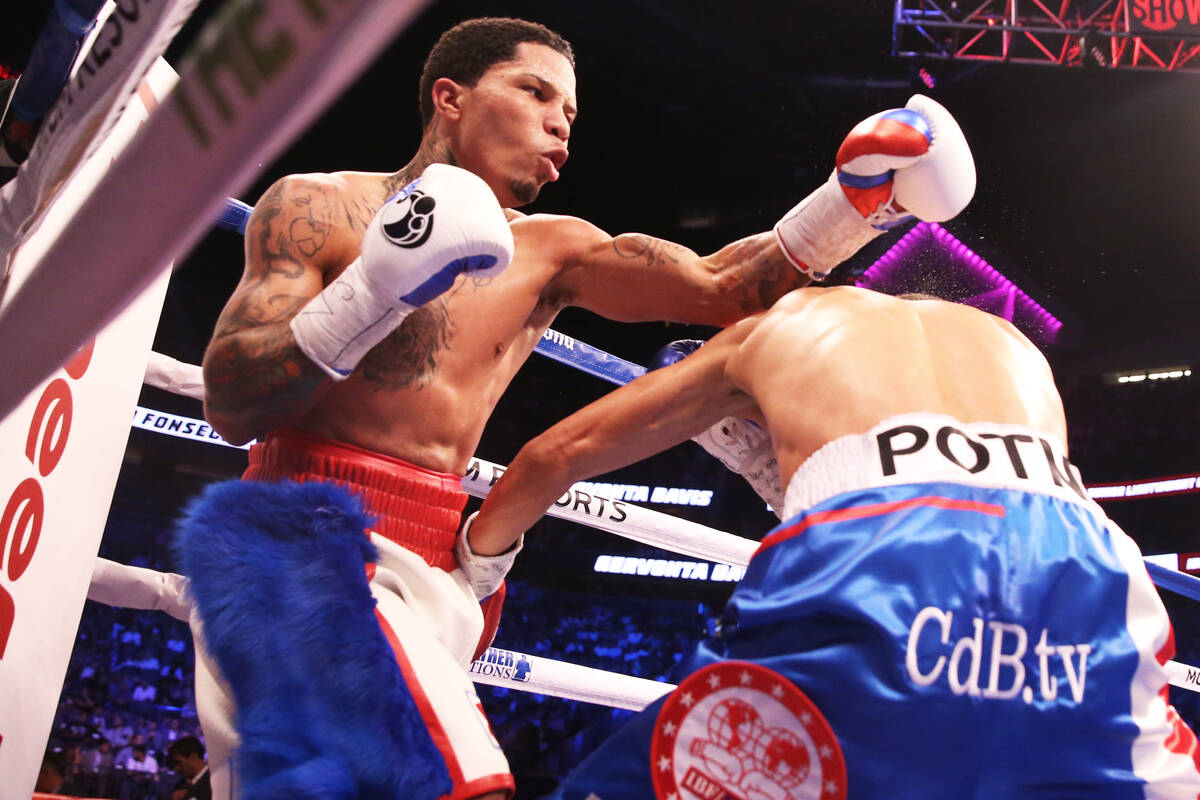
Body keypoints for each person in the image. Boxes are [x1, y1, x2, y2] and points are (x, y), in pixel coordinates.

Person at [185, 15, 975, 800]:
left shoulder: (555, 251)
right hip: (308, 537)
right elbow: (231, 400)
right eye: (535, 92)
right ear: (450, 97)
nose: (559, 122)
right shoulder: (317, 208)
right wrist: (375, 288)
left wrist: (854, 198)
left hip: (444, 559)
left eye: (570, 112)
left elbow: (723, 290)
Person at [464, 286, 1200, 798]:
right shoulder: (1005, 340)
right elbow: (993, 508)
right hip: (1087, 554)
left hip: (886, 542)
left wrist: (477, 567)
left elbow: (557, 454)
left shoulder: (764, 333)